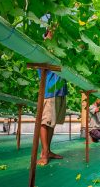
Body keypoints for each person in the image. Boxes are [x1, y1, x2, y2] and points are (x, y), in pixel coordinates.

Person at [37, 26, 68, 166]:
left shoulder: (59, 48)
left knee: (51, 123)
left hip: (60, 90)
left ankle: (48, 150)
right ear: (48, 32)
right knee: (45, 122)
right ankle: (44, 153)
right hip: (50, 90)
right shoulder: (45, 47)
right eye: (53, 30)